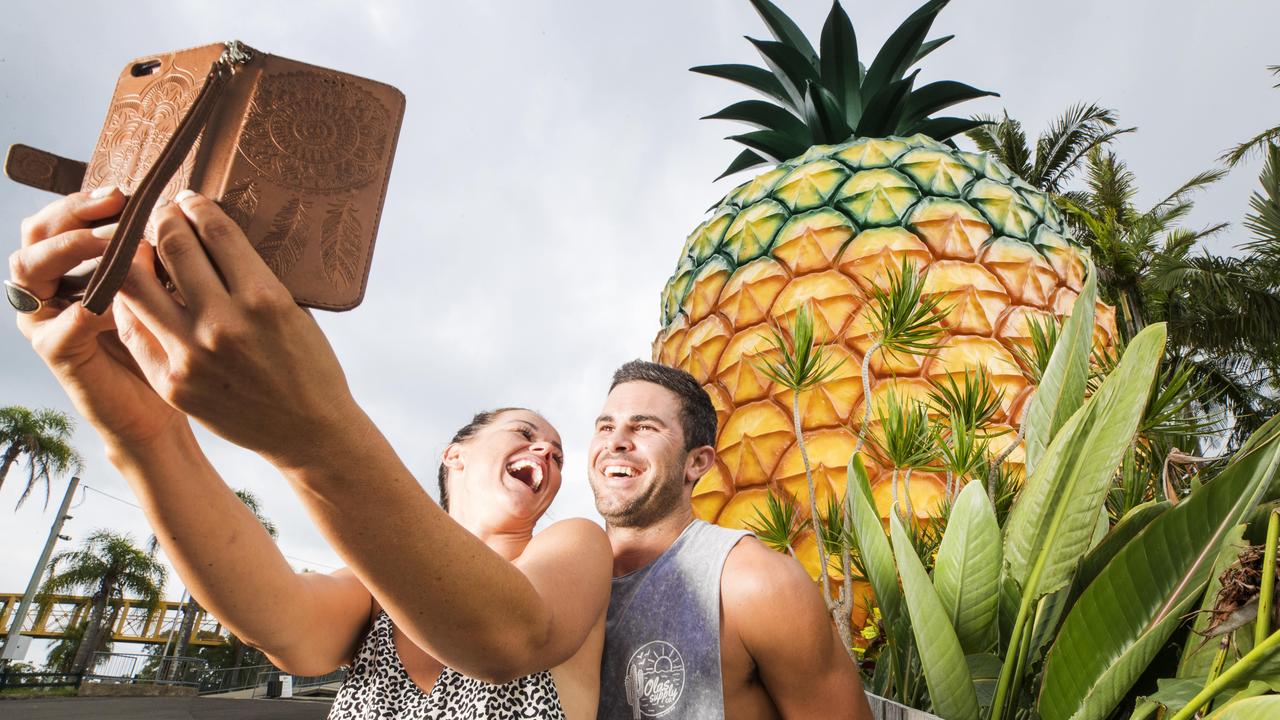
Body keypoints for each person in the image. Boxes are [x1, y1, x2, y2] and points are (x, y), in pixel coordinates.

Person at [9, 188, 613, 719]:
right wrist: (144, 436)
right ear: (455, 454)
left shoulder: (574, 545)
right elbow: (286, 624)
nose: (546, 451)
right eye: (525, 431)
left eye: (558, 453)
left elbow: (506, 638)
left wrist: (313, 432)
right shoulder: (375, 593)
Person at [589, 360, 874, 720]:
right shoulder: (564, 584)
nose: (615, 442)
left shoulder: (754, 584)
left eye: (644, 427)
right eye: (605, 427)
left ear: (696, 463)